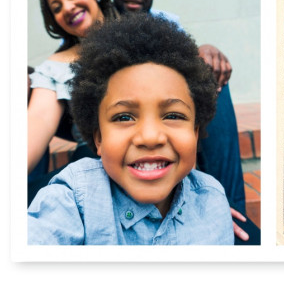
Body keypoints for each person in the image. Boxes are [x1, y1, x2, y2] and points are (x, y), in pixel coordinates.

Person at [28, 13, 234, 245]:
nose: (149, 137)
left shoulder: (212, 201)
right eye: (124, 116)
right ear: (98, 138)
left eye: (173, 115)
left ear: (195, 133)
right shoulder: (74, 198)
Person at [110, 0, 257, 243]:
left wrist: (205, 51)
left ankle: (231, 210)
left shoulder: (167, 23)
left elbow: (189, 61)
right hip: (127, 123)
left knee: (210, 76)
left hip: (169, 117)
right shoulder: (100, 24)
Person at [27, 0, 119, 177]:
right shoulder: (54, 68)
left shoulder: (143, 34)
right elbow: (37, 123)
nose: (67, 7)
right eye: (57, 8)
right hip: (92, 172)